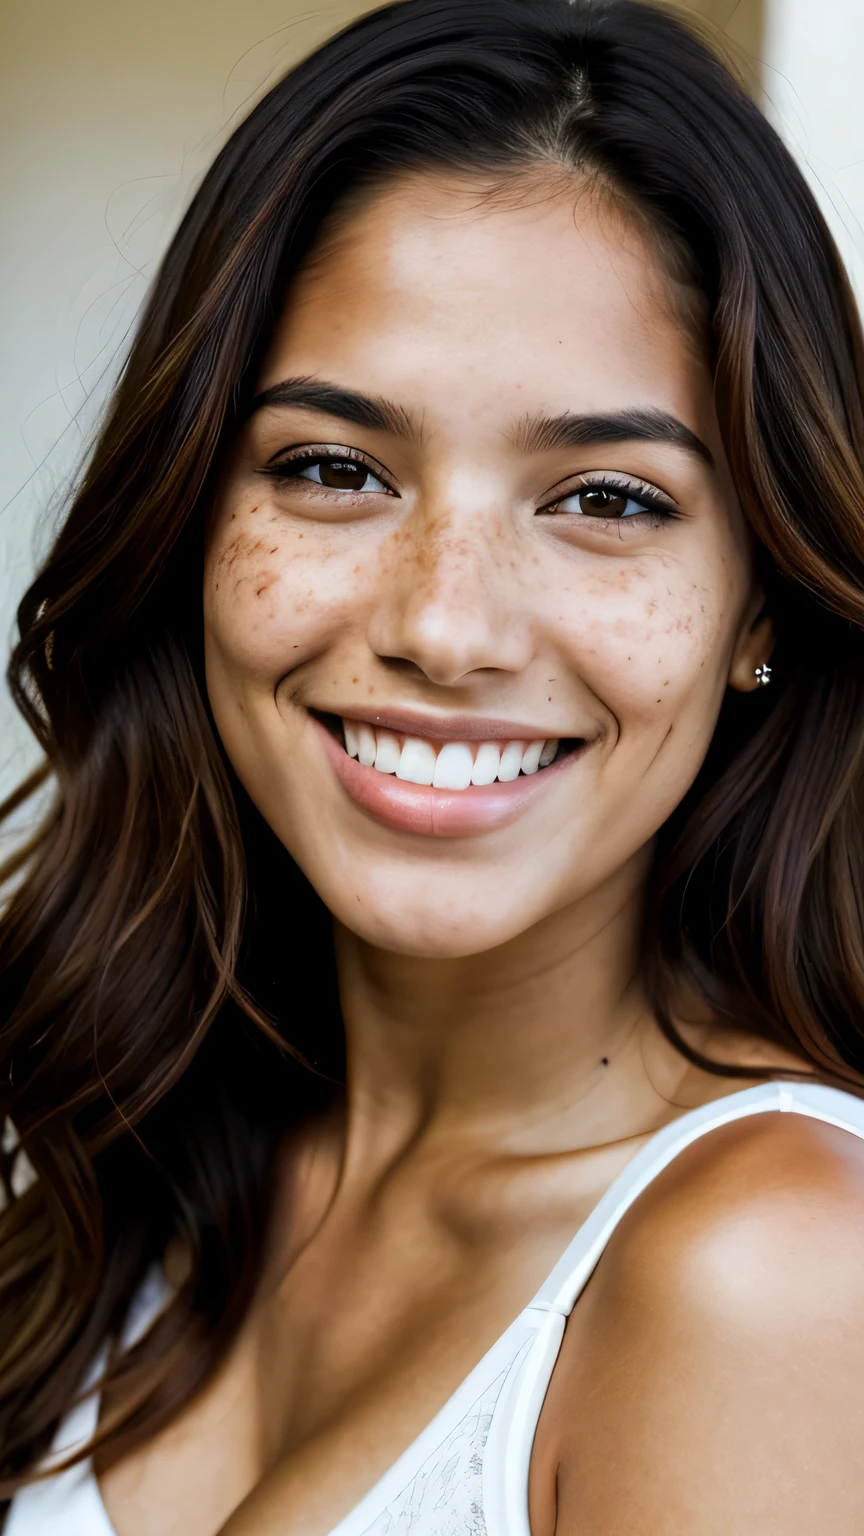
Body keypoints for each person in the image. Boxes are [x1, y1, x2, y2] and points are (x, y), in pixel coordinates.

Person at [3, 0, 864, 1530]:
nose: (445, 626)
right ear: (193, 525)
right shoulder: (154, 1156)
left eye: (605, 496)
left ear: (763, 602)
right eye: (333, 469)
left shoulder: (776, 1270)